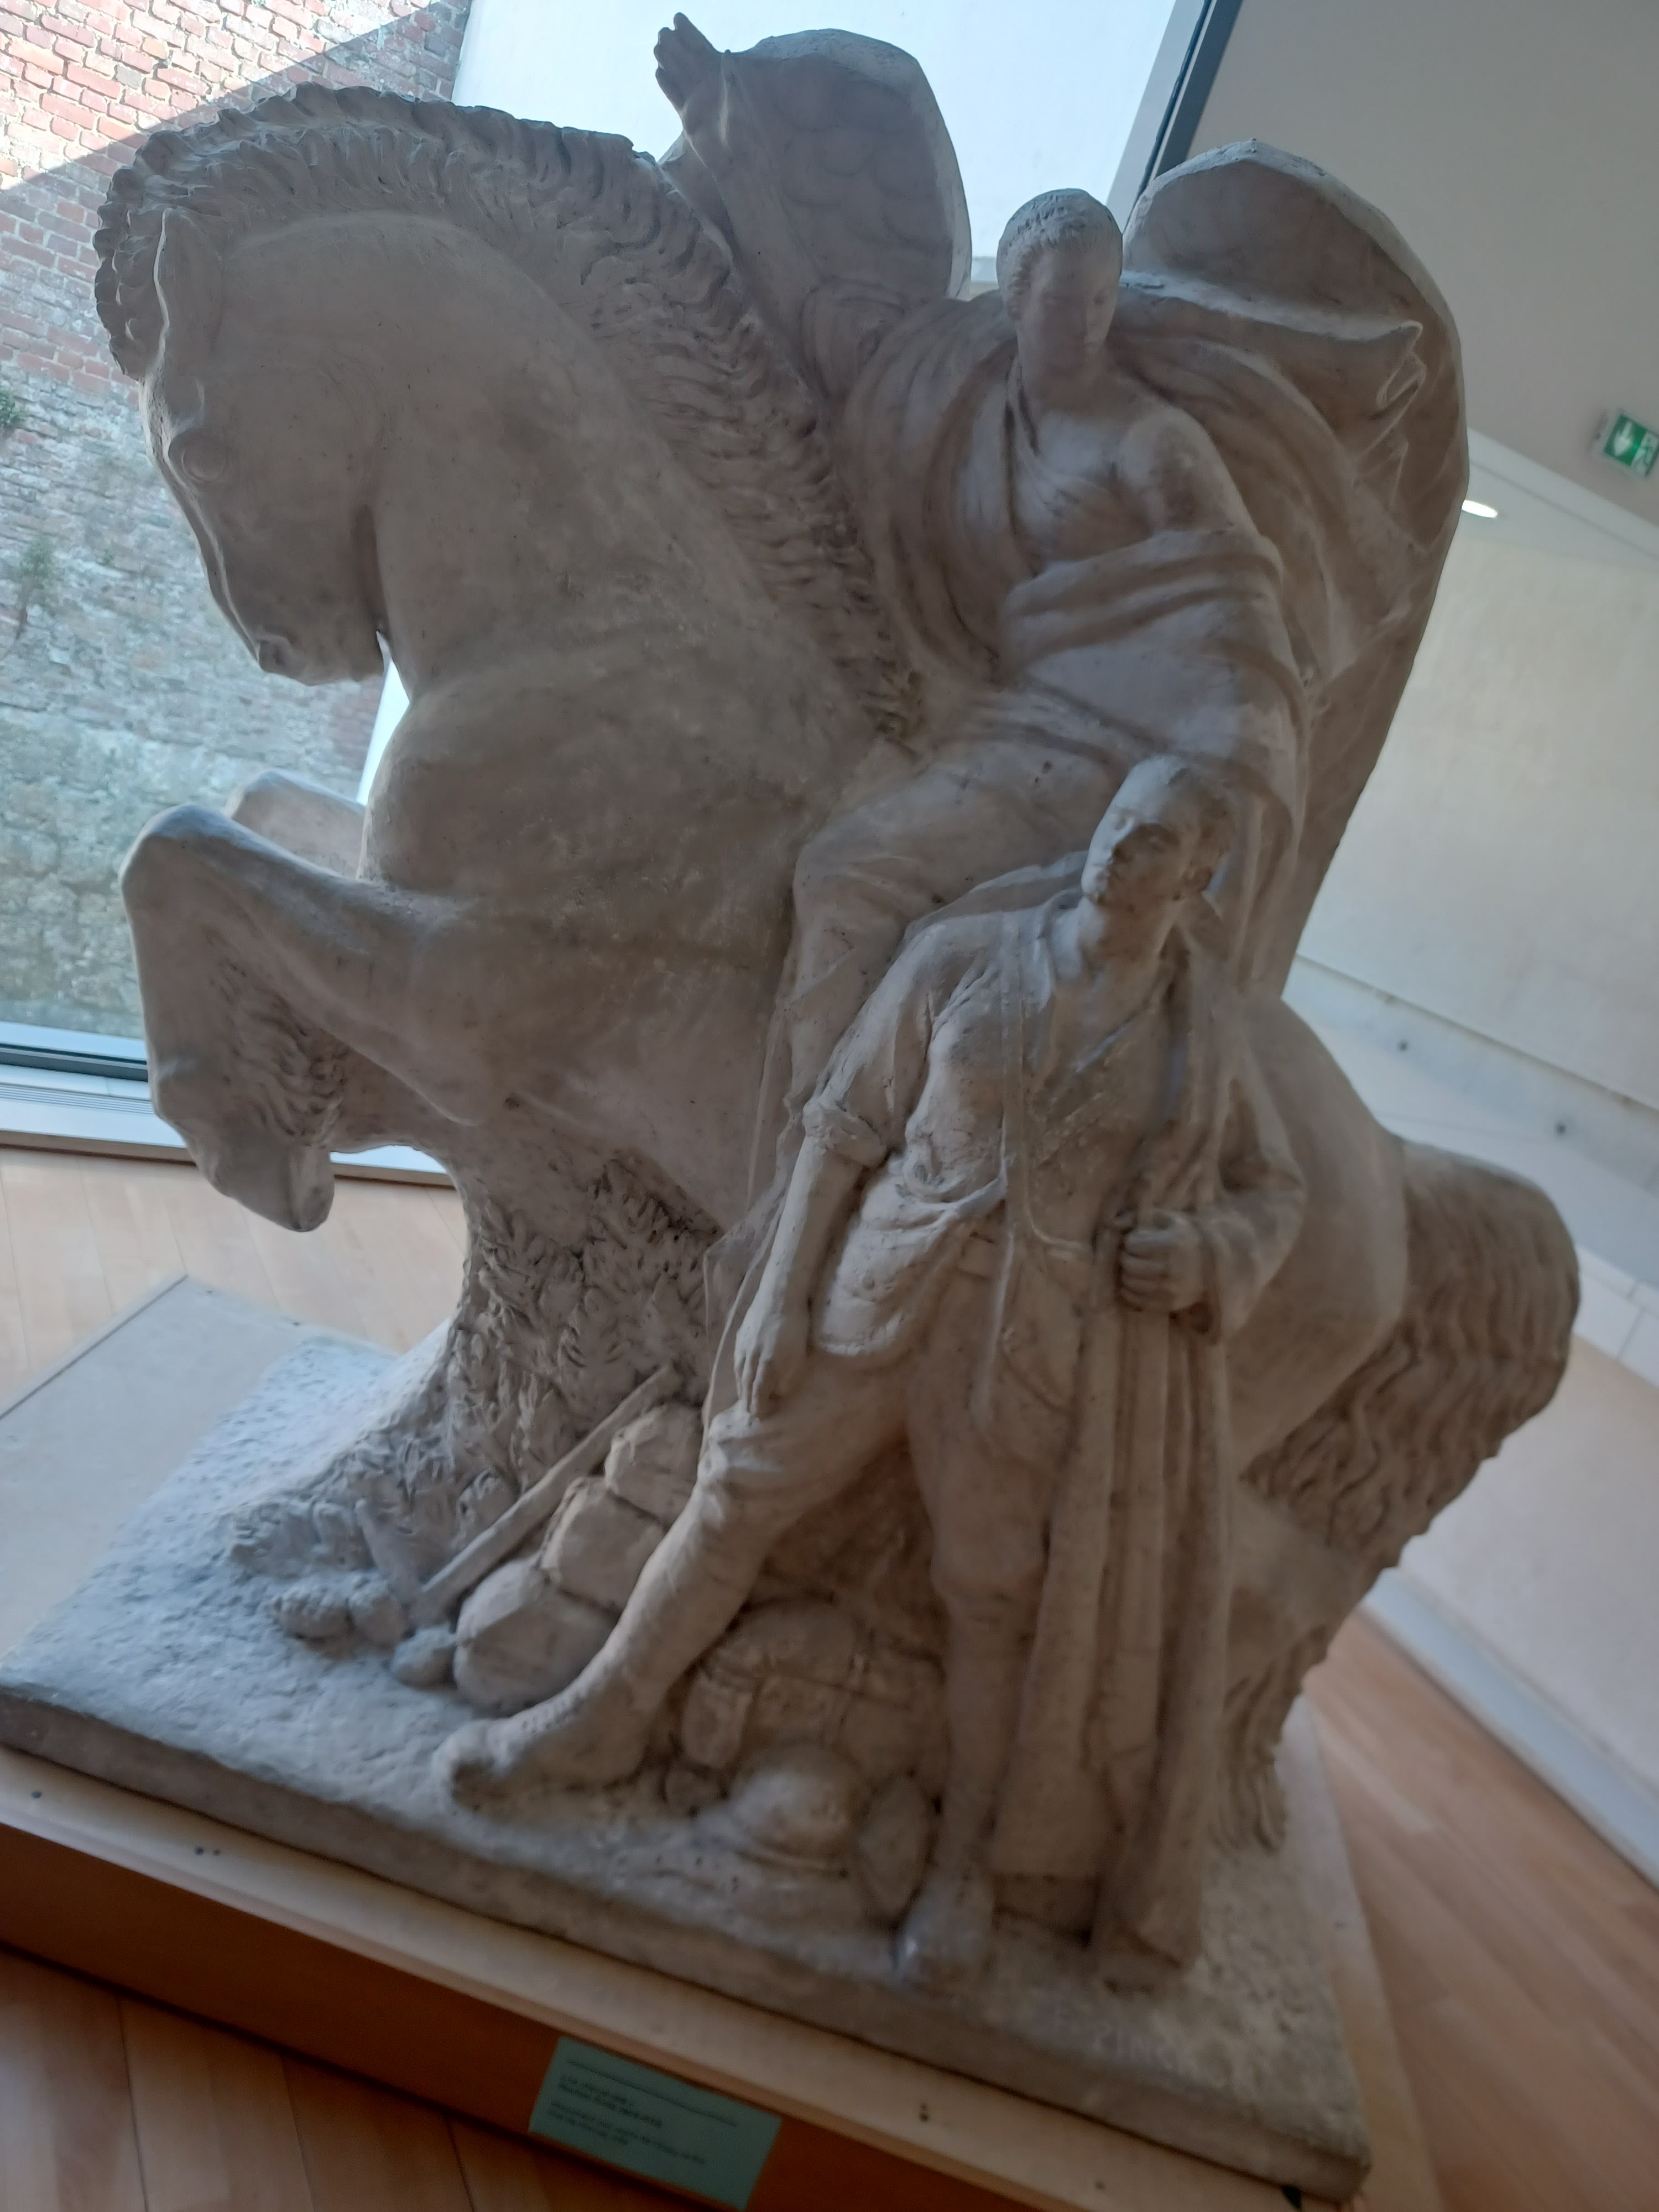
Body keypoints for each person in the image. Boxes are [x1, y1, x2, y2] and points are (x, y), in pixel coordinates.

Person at [442, 755, 1305, 1989]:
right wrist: (780, 1296)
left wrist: (1208, 1254)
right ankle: (596, 1720)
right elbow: (843, 1127)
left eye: (1156, 839)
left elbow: (1274, 1191)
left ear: (1199, 875)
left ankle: (964, 1867)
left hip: (1026, 1352)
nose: (1120, 847)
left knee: (991, 1600)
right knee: (732, 1499)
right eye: (1120, 821)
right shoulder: (966, 956)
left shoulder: (1196, 1038)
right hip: (870, 1298)